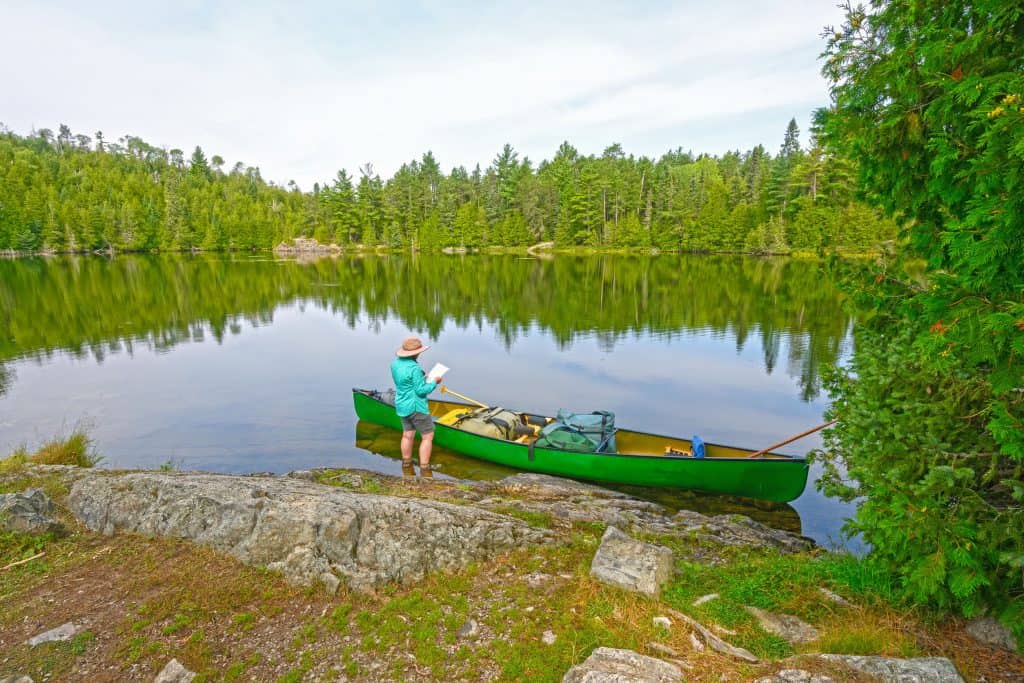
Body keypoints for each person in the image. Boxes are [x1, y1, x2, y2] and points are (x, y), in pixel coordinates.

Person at [390, 336, 442, 472]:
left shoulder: (395, 364)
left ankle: (406, 463)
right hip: (416, 406)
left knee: (407, 434)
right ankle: (425, 468)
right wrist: (433, 382)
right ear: (416, 352)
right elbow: (421, 391)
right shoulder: (414, 367)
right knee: (428, 436)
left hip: (402, 404)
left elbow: (406, 382)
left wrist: (421, 378)